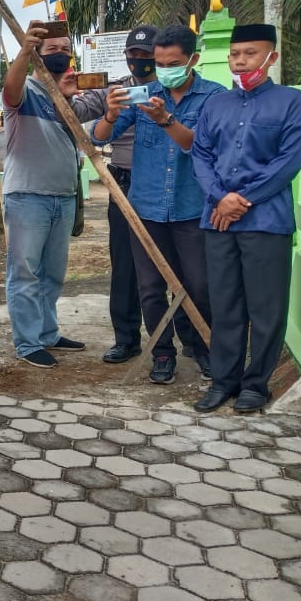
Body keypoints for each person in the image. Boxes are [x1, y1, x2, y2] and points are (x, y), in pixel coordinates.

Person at [191, 23, 301, 412]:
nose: (241, 61)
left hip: (266, 222)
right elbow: (201, 155)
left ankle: (256, 384)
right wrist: (219, 198)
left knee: (266, 307)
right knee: (224, 304)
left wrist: (241, 199)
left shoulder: (292, 103)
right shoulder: (215, 105)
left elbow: (288, 161)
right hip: (218, 222)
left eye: (251, 53)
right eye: (235, 53)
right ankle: (224, 381)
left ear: (271, 57)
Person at [92, 26, 220, 385]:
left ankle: (204, 346)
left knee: (198, 285)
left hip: (192, 207)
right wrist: (112, 114)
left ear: (193, 59)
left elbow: (201, 148)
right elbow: (98, 137)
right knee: (150, 288)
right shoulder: (142, 94)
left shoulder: (213, 98)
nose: (164, 69)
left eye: (173, 63)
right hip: (145, 208)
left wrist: (165, 120)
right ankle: (162, 353)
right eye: (159, 63)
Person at [1, 21, 97, 368]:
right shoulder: (24, 88)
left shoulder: (68, 98)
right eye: (52, 50)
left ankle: (47, 332)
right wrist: (25, 50)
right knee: (25, 272)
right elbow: (9, 91)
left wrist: (67, 96)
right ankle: (27, 343)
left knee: (54, 272)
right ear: (38, 54)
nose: (61, 55)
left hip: (63, 196)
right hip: (27, 196)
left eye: (66, 50)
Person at [79, 27, 155, 364]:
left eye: (145, 54)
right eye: (132, 54)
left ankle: (186, 339)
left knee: (179, 266)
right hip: (124, 185)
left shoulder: (177, 91)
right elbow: (87, 120)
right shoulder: (118, 91)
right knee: (124, 265)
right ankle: (127, 338)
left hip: (168, 188)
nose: (138, 60)